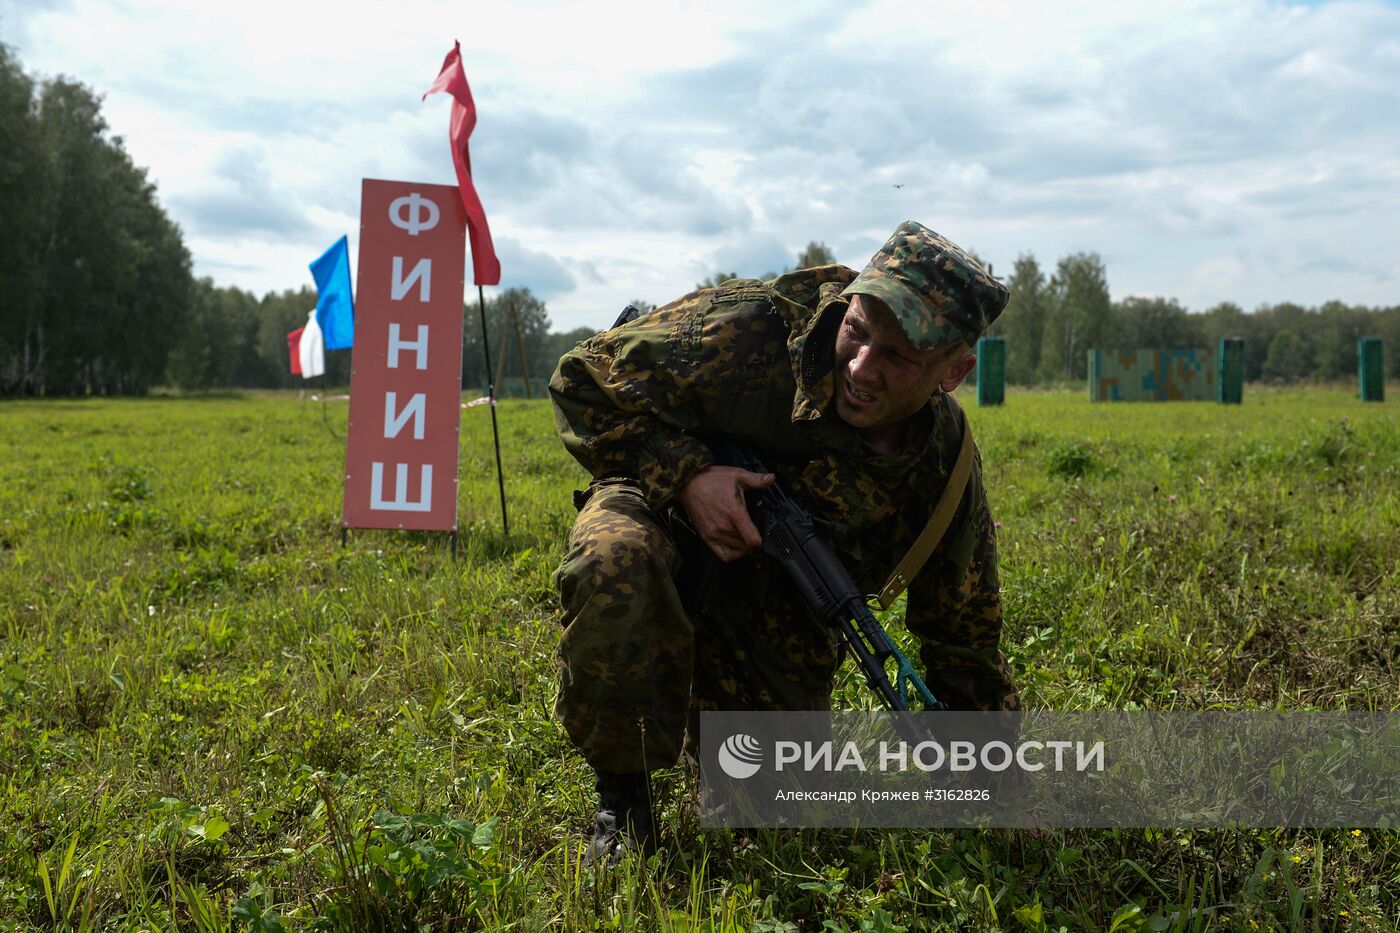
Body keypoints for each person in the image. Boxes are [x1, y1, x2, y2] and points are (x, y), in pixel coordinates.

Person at [548, 220, 1019, 862]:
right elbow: (579, 380)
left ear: (954, 372)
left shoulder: (943, 464)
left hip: (771, 594)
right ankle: (623, 800)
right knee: (616, 562)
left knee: (770, 809)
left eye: (899, 357)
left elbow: (964, 634)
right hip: (654, 501)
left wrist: (997, 790)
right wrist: (689, 476)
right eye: (857, 331)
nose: (861, 367)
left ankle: (702, 702)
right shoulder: (745, 329)